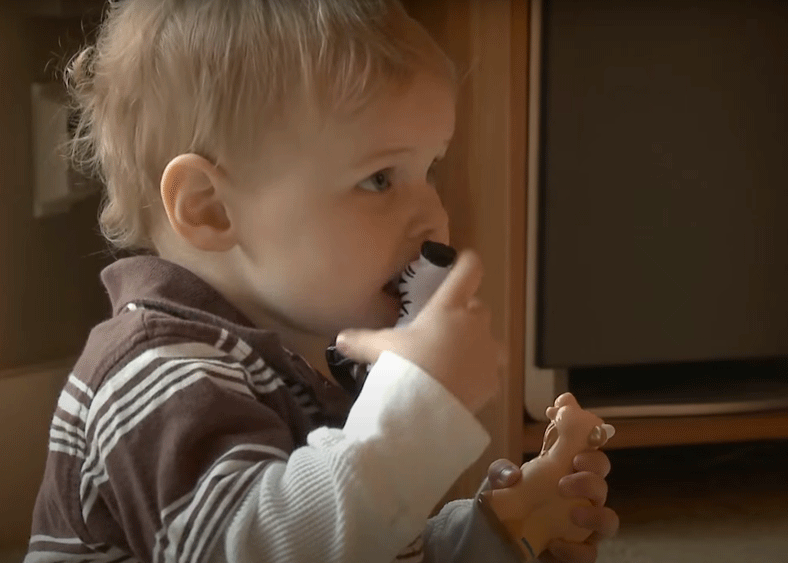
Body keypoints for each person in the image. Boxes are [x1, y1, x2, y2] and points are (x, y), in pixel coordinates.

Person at [26, 1, 619, 562]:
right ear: (211, 209)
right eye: (380, 179)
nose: (435, 217)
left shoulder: (303, 363)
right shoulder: (153, 374)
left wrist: (493, 529)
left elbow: (345, 541)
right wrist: (415, 413)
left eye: (430, 169)